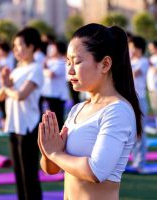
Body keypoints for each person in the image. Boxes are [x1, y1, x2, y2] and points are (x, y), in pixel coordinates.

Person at [38, 23, 142, 199]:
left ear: (105, 64)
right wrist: (48, 152)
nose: (70, 70)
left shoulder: (118, 111)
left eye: (77, 61)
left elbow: (96, 170)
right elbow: (52, 169)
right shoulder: (77, 109)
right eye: (68, 62)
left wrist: (55, 153)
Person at [0, 27, 43, 200]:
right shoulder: (15, 70)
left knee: (29, 173)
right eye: (14, 46)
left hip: (28, 125)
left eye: (20, 45)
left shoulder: (35, 68)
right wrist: (4, 84)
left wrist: (7, 87)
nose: (16, 50)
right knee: (18, 171)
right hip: (14, 124)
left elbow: (21, 95)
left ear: (31, 47)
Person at [129, 36, 149, 171]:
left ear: (139, 48)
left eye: (132, 47)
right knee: (130, 133)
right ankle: (134, 161)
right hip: (129, 99)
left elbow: (132, 75)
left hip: (139, 100)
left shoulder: (143, 61)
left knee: (139, 133)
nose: (130, 49)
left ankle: (140, 163)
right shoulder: (131, 61)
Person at [40, 41, 69, 129]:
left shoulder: (62, 61)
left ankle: (60, 137)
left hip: (57, 96)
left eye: (53, 48)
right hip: (48, 93)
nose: (51, 50)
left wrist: (43, 68)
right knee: (48, 117)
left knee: (58, 119)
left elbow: (51, 74)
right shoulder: (49, 61)